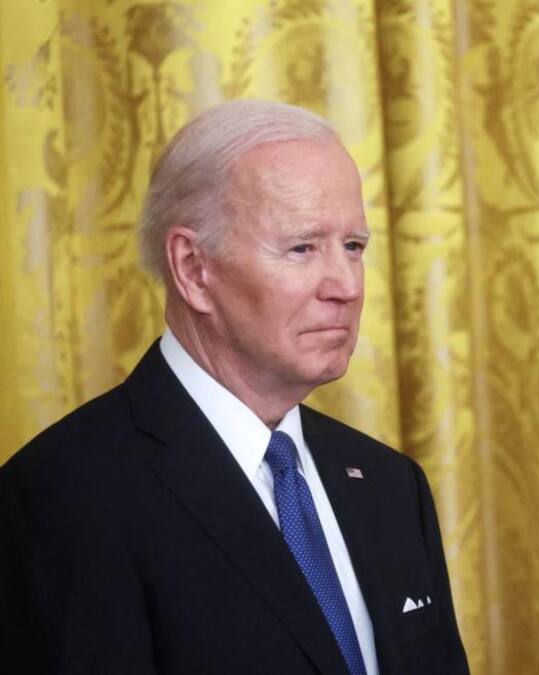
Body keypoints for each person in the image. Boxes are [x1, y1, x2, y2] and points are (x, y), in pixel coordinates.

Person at [0, 100, 469, 674]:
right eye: (302, 248)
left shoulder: (391, 485)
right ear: (193, 268)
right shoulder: (64, 496)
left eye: (353, 247)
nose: (347, 286)